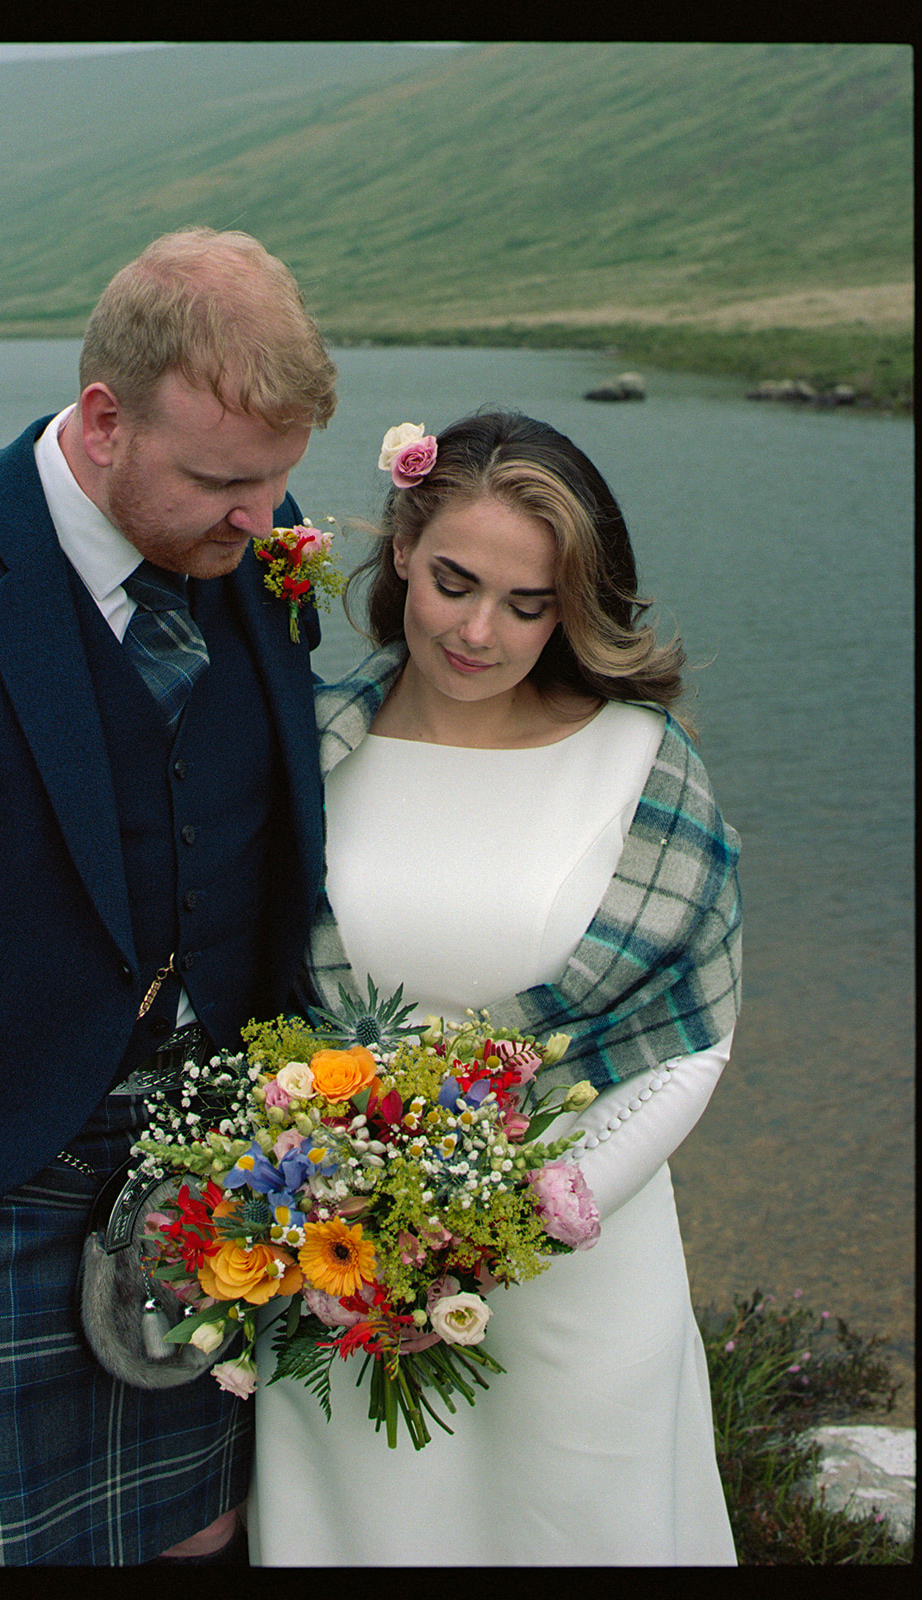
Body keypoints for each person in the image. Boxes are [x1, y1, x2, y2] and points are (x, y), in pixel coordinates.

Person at [0, 225, 337, 1566]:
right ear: (99, 422)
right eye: (217, 482)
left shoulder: (257, 538)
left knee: (205, 1533)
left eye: (275, 484)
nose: (259, 523)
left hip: (206, 1176)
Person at [248, 410, 742, 1566]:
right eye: (456, 584)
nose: (480, 632)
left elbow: (690, 1034)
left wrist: (509, 1225)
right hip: (341, 1275)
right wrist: (366, 1223)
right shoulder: (313, 747)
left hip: (581, 1280)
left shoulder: (637, 758)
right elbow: (253, 994)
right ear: (404, 548)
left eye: (528, 606)